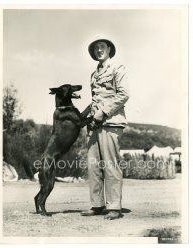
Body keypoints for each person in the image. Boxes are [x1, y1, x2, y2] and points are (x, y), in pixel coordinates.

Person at [81, 37, 129, 220]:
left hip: (111, 122)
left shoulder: (118, 68)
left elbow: (124, 94)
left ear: (109, 49)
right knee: (94, 166)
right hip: (94, 124)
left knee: (110, 164)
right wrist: (83, 117)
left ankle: (114, 207)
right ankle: (97, 204)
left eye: (102, 46)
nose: (99, 50)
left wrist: (102, 113)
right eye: (95, 48)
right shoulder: (94, 74)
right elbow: (95, 100)